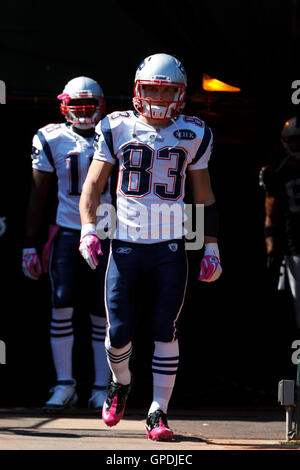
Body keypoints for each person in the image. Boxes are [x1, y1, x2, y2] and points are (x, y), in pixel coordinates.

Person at [79, 53, 222, 440]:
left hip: (170, 246)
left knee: (165, 328)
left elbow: (203, 197)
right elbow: (92, 185)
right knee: (118, 332)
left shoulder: (195, 132)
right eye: (153, 88)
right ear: (139, 90)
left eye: (167, 89)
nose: (159, 96)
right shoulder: (116, 127)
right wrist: (89, 229)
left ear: (181, 93)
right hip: (125, 241)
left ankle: (158, 412)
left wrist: (210, 247)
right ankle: (120, 382)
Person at [22, 76, 112, 412]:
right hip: (67, 231)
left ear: (102, 106)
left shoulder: (115, 133)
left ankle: (102, 388)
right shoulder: (51, 137)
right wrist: (30, 243)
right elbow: (38, 193)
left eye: (91, 106)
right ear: (64, 107)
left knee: (102, 310)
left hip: (105, 231)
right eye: (78, 107)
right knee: (61, 305)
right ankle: (65, 384)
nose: (85, 113)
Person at [260, 116, 300, 330]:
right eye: (296, 139)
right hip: (295, 246)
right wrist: (272, 250)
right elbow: (271, 215)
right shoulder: (277, 172)